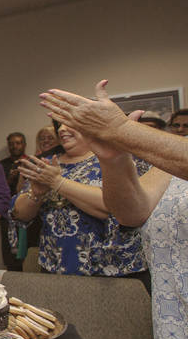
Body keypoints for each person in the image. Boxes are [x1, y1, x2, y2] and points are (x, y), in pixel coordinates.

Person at [40, 80, 188, 339]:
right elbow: (133, 211)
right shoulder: (183, 148)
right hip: (186, 333)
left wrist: (124, 131)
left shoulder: (178, 150)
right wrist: (113, 155)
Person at [9, 122, 148, 287]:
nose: (61, 129)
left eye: (69, 123)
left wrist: (57, 182)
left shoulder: (118, 158)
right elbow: (20, 214)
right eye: (59, 125)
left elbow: (117, 208)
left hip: (112, 274)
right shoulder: (48, 163)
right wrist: (37, 194)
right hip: (57, 269)